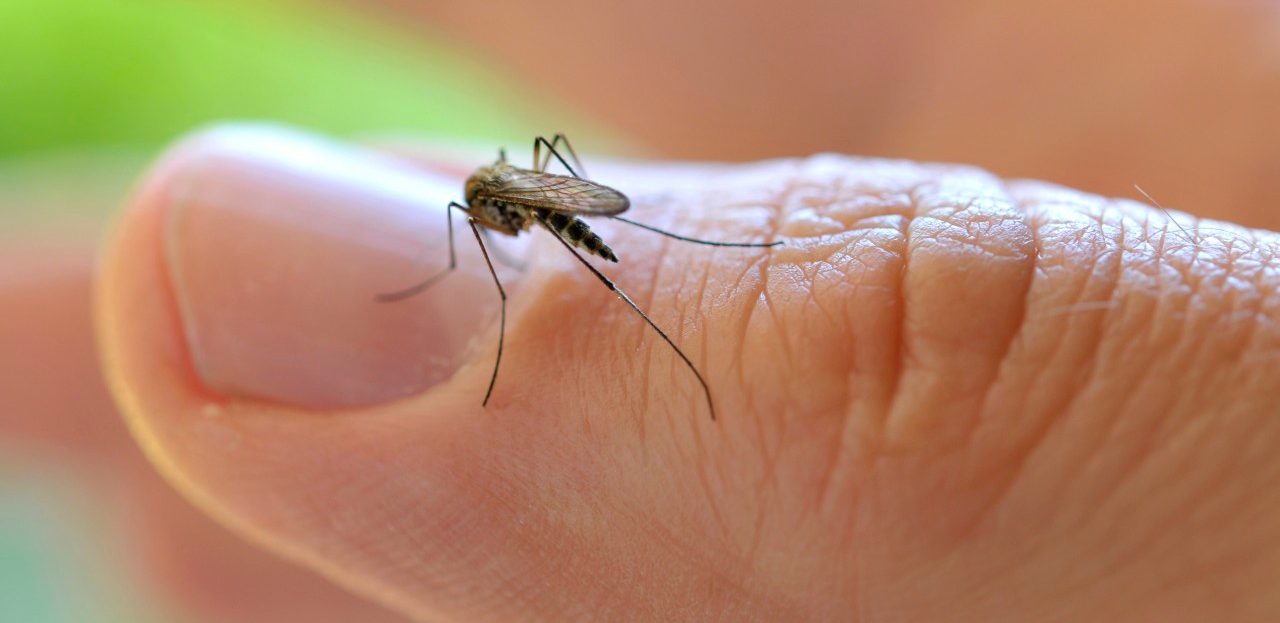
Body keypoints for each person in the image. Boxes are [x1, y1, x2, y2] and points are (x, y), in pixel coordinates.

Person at [89, 122, 1279, 621]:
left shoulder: (503, 203)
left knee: (595, 270)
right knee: (567, 248)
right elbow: (500, 218)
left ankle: (690, 269)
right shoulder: (491, 201)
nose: (480, 221)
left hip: (593, 218)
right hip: (569, 202)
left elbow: (528, 212)